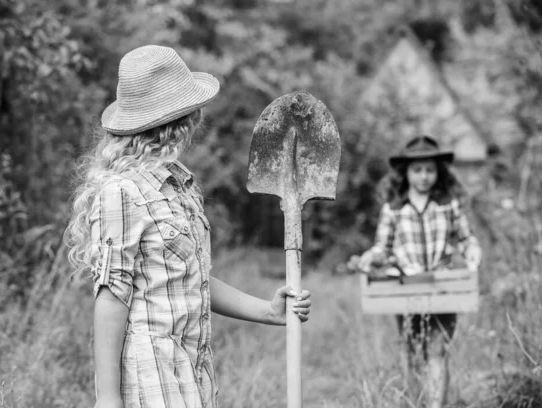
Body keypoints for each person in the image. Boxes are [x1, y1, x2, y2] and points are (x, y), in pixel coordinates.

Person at [65, 45, 312, 408]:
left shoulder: (180, 185)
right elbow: (111, 296)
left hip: (191, 367)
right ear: (181, 120)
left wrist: (268, 311)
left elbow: (192, 278)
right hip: (150, 372)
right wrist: (107, 398)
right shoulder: (121, 192)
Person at [358, 135, 482, 408]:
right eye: (417, 170)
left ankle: (436, 405)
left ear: (438, 173)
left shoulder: (448, 205)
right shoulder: (394, 209)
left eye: (430, 170)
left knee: (438, 348)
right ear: (406, 173)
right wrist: (370, 257)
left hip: (443, 285)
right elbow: (383, 247)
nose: (424, 176)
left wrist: (473, 251)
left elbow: (466, 239)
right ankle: (415, 402)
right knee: (411, 350)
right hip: (407, 287)